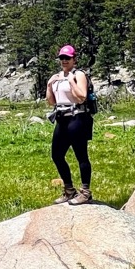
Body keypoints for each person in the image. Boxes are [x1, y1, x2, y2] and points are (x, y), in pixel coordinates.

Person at [46, 44, 93, 205]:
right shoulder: (57, 76)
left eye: (67, 58)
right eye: (62, 58)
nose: (64, 61)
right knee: (57, 155)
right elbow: (51, 101)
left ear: (74, 59)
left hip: (77, 118)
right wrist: (49, 85)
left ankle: (85, 192)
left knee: (81, 156)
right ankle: (69, 190)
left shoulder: (78, 74)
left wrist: (70, 81)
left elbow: (82, 96)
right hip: (62, 118)